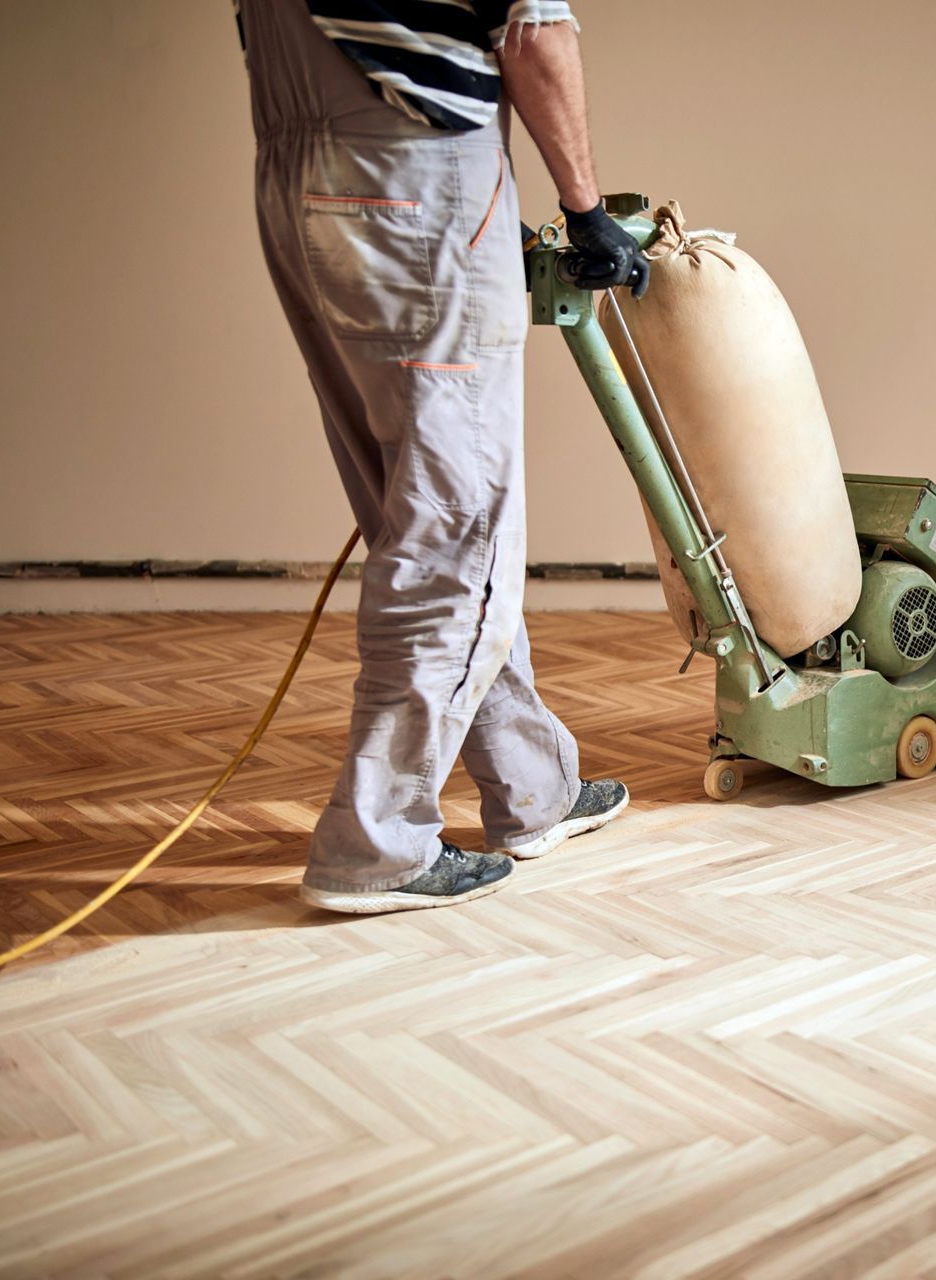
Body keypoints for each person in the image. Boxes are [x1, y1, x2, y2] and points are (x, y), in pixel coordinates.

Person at [237, 0, 646, 913]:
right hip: (413, 178)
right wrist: (585, 210)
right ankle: (377, 844)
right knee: (457, 526)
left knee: (415, 505)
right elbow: (534, 28)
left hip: (294, 171)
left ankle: (530, 791)